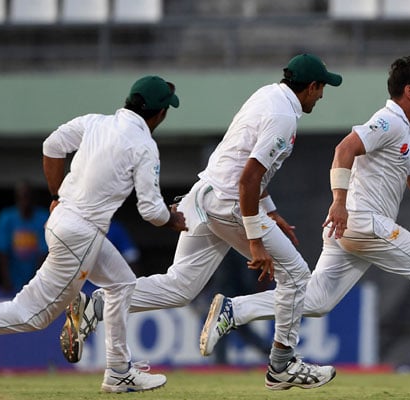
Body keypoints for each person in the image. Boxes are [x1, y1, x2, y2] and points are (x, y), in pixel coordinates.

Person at [200, 56, 410, 388]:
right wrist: (339, 203)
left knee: (315, 301)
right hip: (361, 221)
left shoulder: (408, 130)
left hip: (353, 228)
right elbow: (344, 149)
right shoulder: (389, 122)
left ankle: (235, 311)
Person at [60, 54, 342, 390]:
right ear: (310, 86)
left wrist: (269, 209)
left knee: (180, 286)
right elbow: (248, 178)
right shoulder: (283, 116)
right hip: (229, 203)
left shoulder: (267, 95)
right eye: (321, 88)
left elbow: (240, 163)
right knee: (296, 276)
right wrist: (255, 239)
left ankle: (96, 306)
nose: (322, 95)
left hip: (205, 195)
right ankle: (282, 365)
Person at [0, 75, 187, 394]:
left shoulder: (95, 122)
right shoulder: (144, 146)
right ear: (158, 113)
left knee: (122, 283)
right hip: (81, 236)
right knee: (33, 315)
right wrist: (175, 219)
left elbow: (52, 146)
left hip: (62, 222)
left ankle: (118, 369)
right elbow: (151, 212)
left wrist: (57, 192)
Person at [0, 181, 49, 292]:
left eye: (27, 196)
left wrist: (36, 282)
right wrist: (6, 280)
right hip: (12, 281)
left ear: (33, 198)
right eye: (21, 197)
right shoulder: (6, 217)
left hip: (37, 280)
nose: (24, 201)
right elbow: (2, 252)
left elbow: (44, 253)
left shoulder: (43, 217)